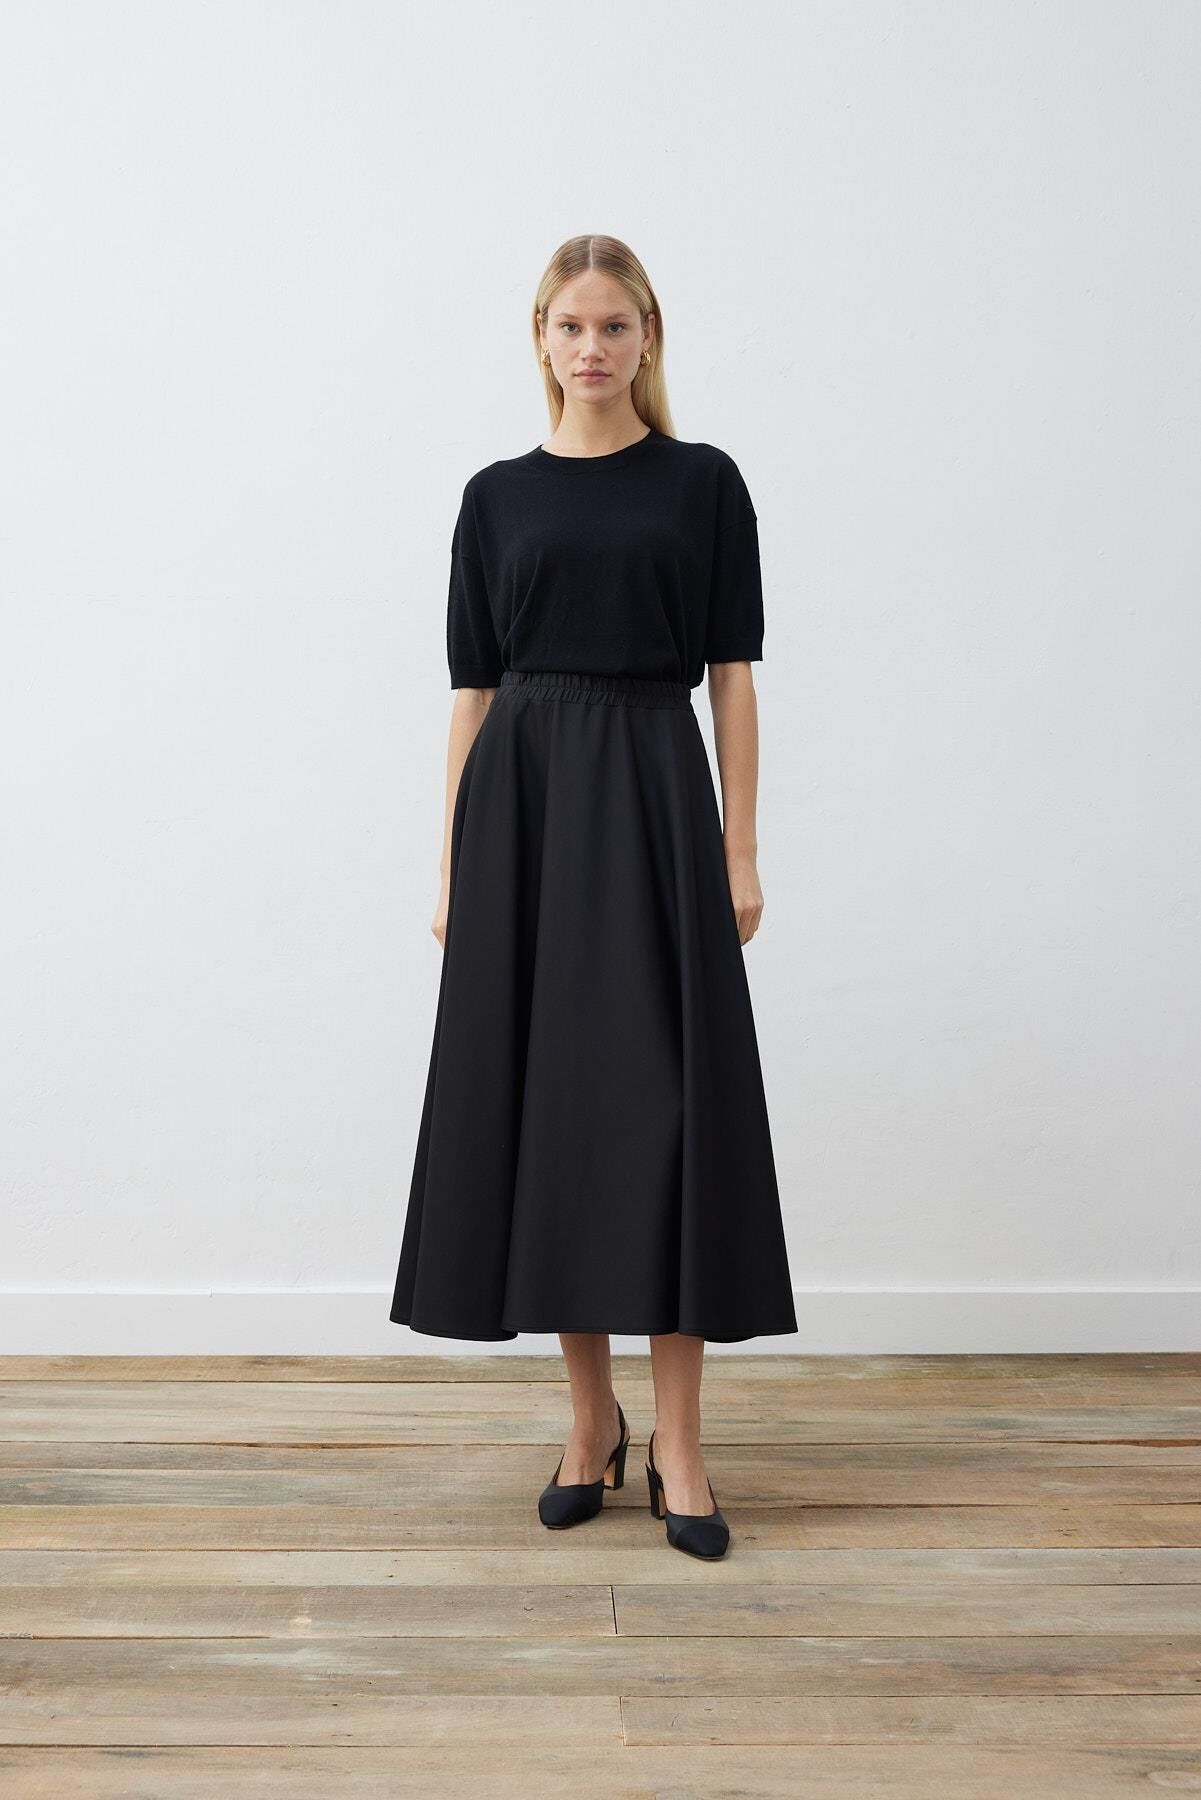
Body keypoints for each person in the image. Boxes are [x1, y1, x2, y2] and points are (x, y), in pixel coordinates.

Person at [388, 234, 797, 1560]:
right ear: (541, 338)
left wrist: (739, 849)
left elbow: (732, 676)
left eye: (614, 325)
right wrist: (452, 865)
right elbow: (472, 693)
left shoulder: (701, 484)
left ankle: (680, 1441)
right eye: (570, 325)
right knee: (554, 1113)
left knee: (668, 1112)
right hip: (523, 813)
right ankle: (588, 1421)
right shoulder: (494, 498)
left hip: (654, 795)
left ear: (647, 337)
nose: (592, 347)